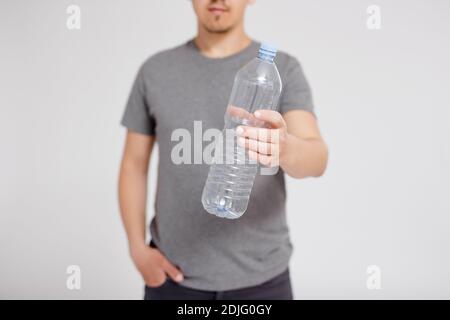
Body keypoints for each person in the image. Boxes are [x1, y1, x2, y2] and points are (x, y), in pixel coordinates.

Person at [118, 0, 328, 300]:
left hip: (263, 281)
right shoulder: (155, 70)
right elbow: (133, 166)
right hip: (172, 279)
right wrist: (137, 249)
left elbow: (317, 158)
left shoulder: (283, 69)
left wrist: (284, 148)